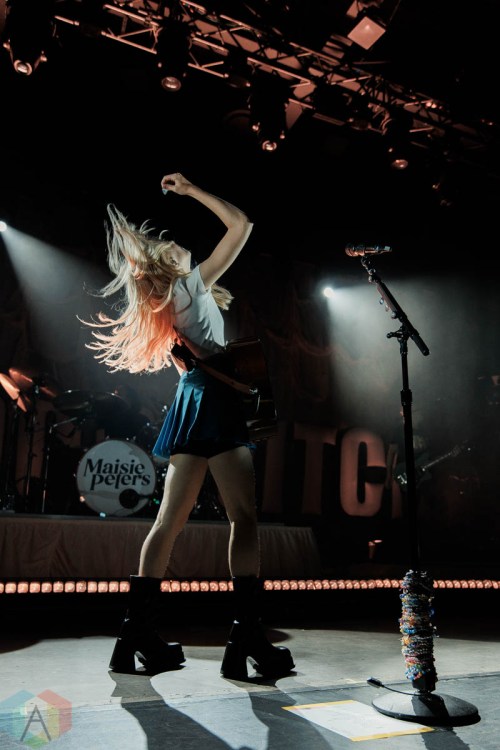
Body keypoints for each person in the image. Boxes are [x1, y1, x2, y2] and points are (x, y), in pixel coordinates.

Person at [82, 172, 295, 680]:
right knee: (243, 519)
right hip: (214, 402)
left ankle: (135, 635)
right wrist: (193, 191)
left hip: (191, 399)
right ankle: (245, 637)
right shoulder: (186, 284)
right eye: (173, 246)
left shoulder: (176, 299)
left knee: (167, 523)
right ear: (169, 263)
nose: (180, 244)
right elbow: (241, 225)